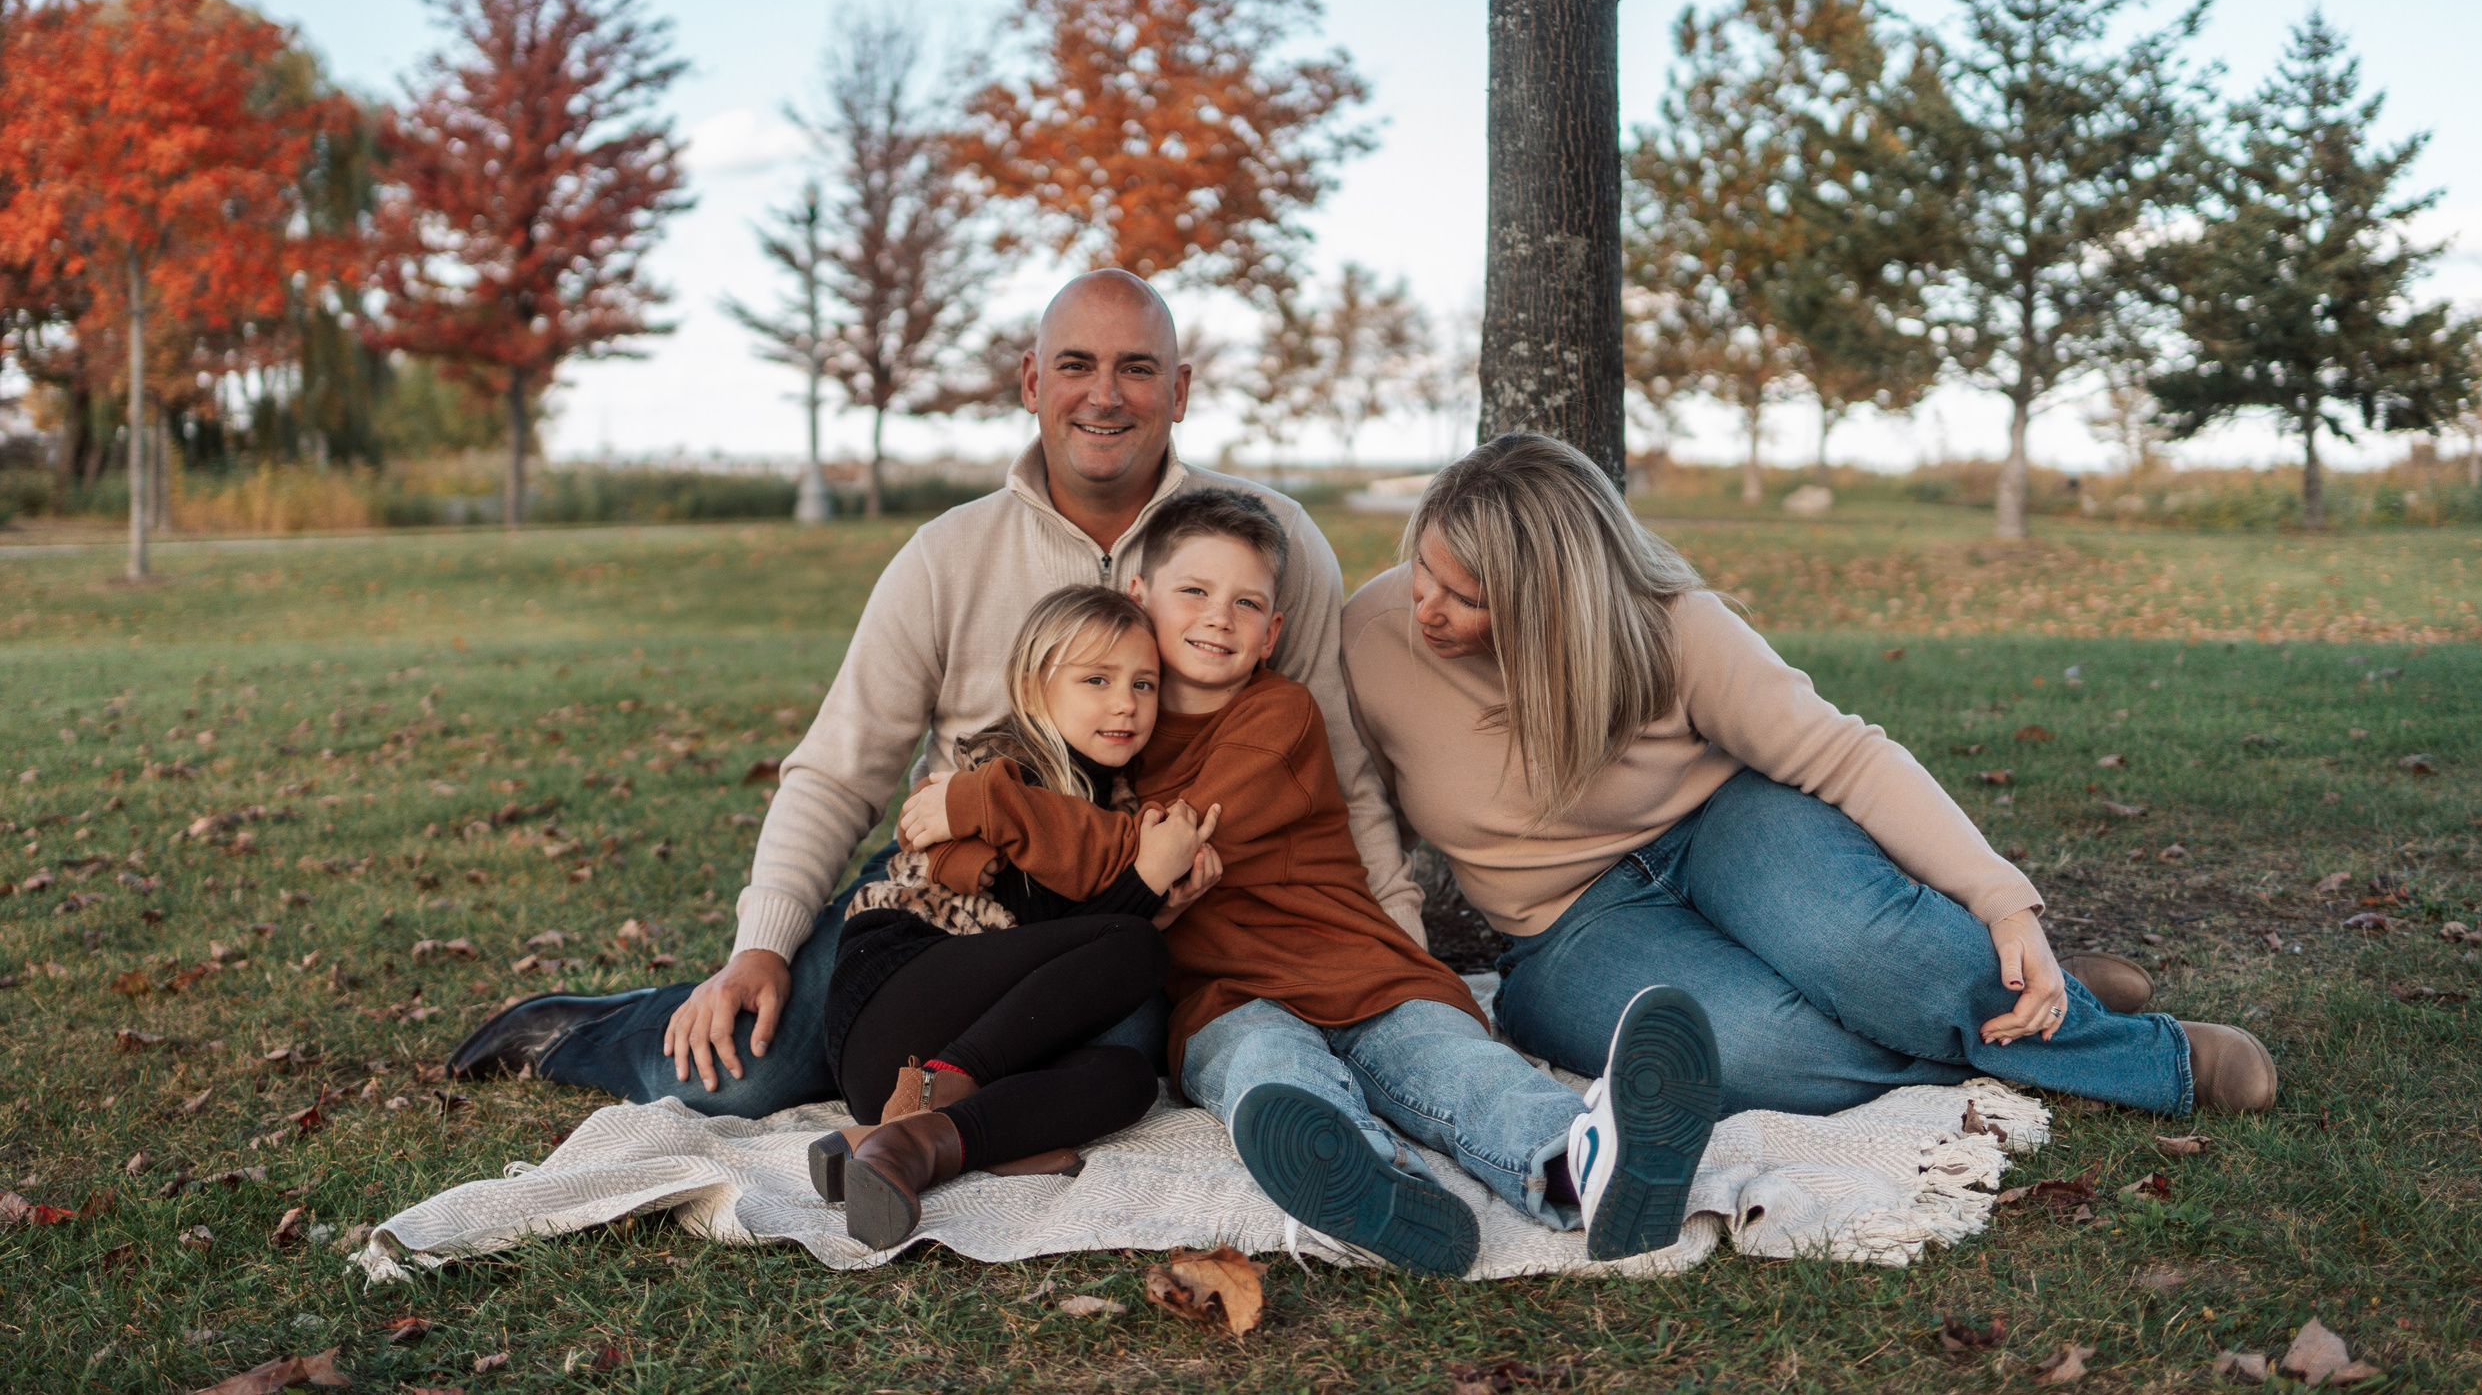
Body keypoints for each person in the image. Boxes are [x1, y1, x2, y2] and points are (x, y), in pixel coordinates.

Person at [444, 270, 1424, 1110]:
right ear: (1033, 382)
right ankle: (577, 1031)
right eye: (1076, 365)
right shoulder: (947, 555)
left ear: (1180, 387)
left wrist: (1406, 956)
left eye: (1136, 367)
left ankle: (940, 1109)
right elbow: (838, 770)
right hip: (957, 889)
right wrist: (760, 946)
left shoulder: (1266, 542)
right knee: (736, 1078)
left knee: (1108, 1075)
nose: (1105, 395)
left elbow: (1342, 770)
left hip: (1136, 909)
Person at [1339, 433, 2279, 1122]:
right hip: (1562, 930)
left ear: (1557, 599)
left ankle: (2142, 1056)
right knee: (1754, 1053)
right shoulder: (1371, 636)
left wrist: (2002, 900)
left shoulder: (1670, 626)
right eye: (1423, 567)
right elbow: (1368, 818)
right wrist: (1410, 968)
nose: (1426, 604)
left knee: (1877, 954)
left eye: (1468, 595)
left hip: (1724, 825)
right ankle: (2010, 1019)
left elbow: (1847, 755)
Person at [901, 488, 1724, 1271]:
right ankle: (1371, 1188)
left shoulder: (1278, 715)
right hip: (1224, 997)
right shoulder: (1104, 738)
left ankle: (1588, 1161)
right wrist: (969, 843)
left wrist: (979, 802)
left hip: (1360, 971)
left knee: (1457, 1070)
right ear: (1138, 595)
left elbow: (1159, 848)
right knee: (1268, 1077)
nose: (1219, 618)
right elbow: (1037, 860)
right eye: (1194, 591)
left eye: (1247, 604)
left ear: (1272, 633)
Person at [805, 584, 1221, 1249]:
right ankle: (945, 1095)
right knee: (1137, 948)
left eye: (1146, 684)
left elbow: (1065, 954)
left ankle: (914, 1144)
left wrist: (1166, 902)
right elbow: (1038, 922)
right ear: (1034, 688)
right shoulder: (1004, 777)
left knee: (1126, 1077)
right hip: (899, 987)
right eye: (1098, 679)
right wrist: (1147, 881)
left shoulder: (1110, 806)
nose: (1126, 702)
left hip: (917, 1067)